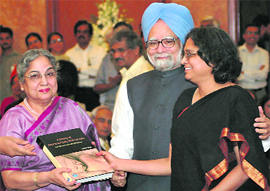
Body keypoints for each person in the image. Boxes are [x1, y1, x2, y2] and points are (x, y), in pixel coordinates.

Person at [109, 3, 270, 191]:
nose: (160, 49)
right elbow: (124, 141)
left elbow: (248, 152)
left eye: (168, 41)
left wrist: (265, 133)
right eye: (153, 42)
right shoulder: (134, 86)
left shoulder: (213, 87)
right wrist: (117, 166)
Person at [0, 49, 110, 190]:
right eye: (35, 76)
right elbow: (10, 180)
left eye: (49, 74)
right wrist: (48, 177)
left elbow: (94, 157)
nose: (44, 81)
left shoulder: (71, 108)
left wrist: (107, 170)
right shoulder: (14, 119)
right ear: (21, 83)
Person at [65, 20, 106, 111]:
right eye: (79, 32)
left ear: (90, 35)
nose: (81, 34)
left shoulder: (100, 51)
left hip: (95, 93)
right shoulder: (69, 54)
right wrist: (90, 75)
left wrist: (79, 70)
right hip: (77, 94)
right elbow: (71, 77)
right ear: (75, 35)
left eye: (85, 32)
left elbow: (99, 71)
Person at [94, 22, 133, 111]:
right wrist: (113, 84)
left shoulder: (139, 58)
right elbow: (97, 87)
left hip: (131, 108)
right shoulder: (108, 58)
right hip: (111, 108)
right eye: (117, 35)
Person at [236, 23, 269, 104]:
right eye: (249, 33)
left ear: (259, 36)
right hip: (241, 91)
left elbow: (263, 75)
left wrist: (244, 73)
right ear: (244, 36)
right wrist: (256, 74)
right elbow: (236, 74)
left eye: (256, 33)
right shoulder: (236, 52)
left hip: (260, 93)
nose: (253, 36)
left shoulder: (264, 53)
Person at [0, 26, 21, 103]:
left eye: (7, 38)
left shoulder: (20, 58)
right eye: (1, 39)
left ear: (12, 40)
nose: (4, 41)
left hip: (15, 102)